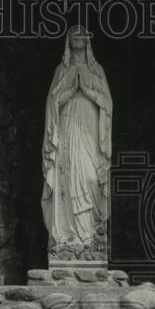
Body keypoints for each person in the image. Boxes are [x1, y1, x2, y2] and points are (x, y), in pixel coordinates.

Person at [41, 26, 112, 258]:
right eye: (74, 35)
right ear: (68, 41)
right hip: (68, 125)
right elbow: (52, 103)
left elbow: (107, 104)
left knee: (91, 176)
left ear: (88, 42)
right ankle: (66, 237)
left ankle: (91, 236)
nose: (79, 38)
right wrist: (71, 91)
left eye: (83, 35)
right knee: (68, 176)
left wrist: (88, 92)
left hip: (90, 127)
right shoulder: (61, 70)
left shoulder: (97, 69)